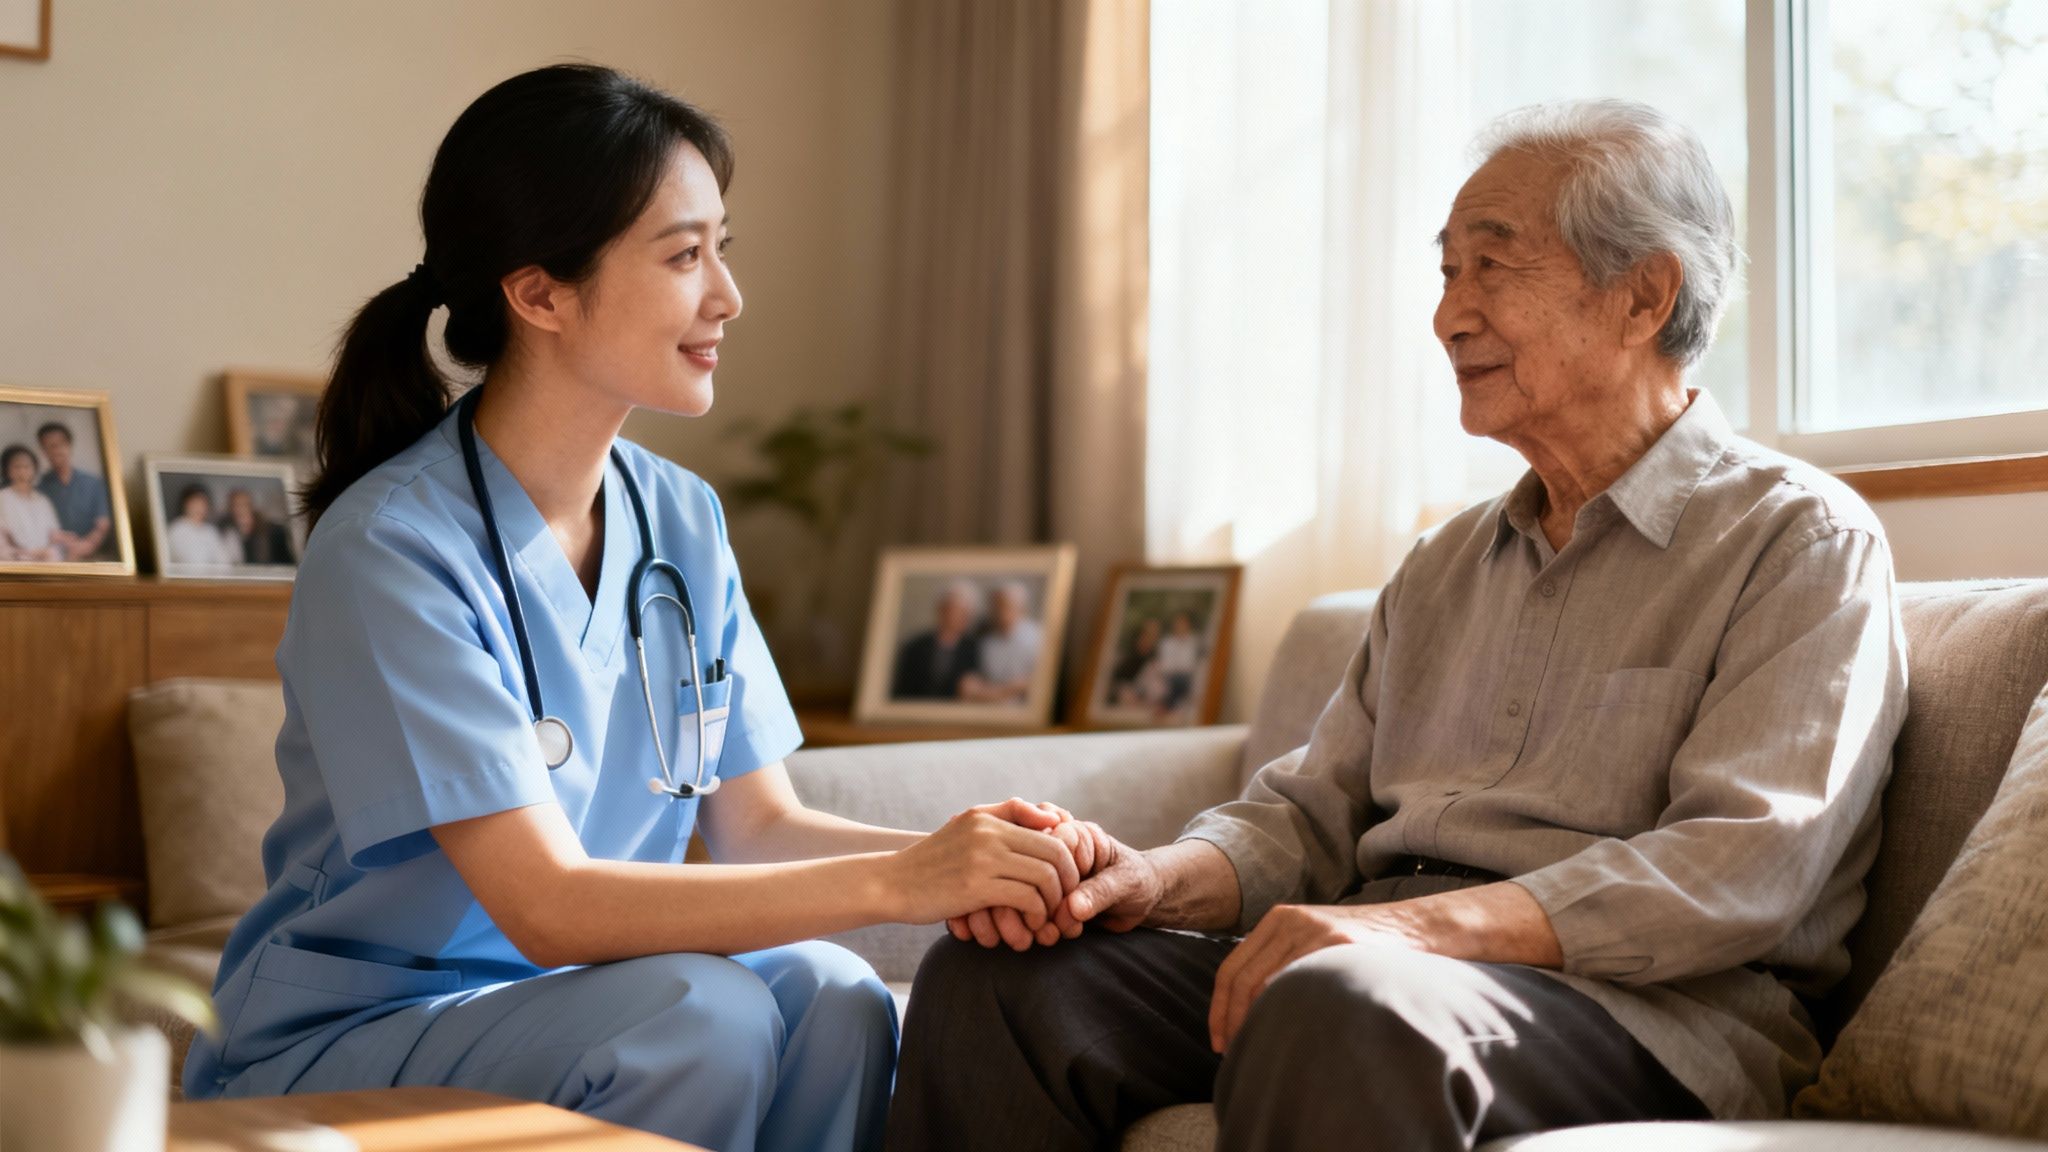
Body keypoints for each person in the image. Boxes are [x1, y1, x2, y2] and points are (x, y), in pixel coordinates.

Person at [891, 99, 1909, 1151]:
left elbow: (1739, 867)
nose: (1448, 317)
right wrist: (1147, 881)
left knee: (1342, 1005)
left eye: (1492, 266)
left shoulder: (1797, 542)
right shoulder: (1443, 565)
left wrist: (1406, 931)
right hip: (1380, 970)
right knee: (1001, 983)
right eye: (1447, 271)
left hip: (1644, 1010)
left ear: (1643, 295)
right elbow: (1307, 819)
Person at [180, 65, 1091, 1152]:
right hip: (354, 1032)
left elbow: (757, 828)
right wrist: (904, 881)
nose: (727, 297)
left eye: (722, 248)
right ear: (540, 295)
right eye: (683, 256)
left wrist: (983, 855)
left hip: (578, 997)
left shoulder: (680, 516)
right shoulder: (390, 547)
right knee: (701, 1019)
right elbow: (547, 906)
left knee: (837, 996)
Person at [890, 580, 982, 699]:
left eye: (965, 612)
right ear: (940, 610)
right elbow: (901, 690)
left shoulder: (975, 648)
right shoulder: (915, 646)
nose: (960, 617)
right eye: (953, 610)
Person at [35, 421, 114, 560]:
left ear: (69, 445)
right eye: (50, 446)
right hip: (57, 557)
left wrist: (87, 545)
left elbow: (103, 523)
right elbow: (42, 529)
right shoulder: (39, 489)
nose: (56, 450)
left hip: (94, 555)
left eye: (61, 444)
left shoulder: (93, 482)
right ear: (43, 451)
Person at [958, 581, 1041, 704]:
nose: (998, 612)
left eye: (1004, 605)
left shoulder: (1039, 638)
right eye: (994, 606)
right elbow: (975, 685)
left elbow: (1038, 682)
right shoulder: (986, 643)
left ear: (1020, 608)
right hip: (993, 708)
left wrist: (1009, 689)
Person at [0, 445, 63, 562]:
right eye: (17, 467)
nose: (22, 471)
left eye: (27, 466)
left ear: (34, 469)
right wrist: (27, 554)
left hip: (45, 561)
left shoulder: (43, 501)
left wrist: (47, 552)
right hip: (15, 563)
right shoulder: (2, 498)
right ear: (7, 470)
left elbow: (54, 535)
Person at [164, 484, 240, 568]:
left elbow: (224, 562)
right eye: (195, 503)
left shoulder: (210, 531)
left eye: (202, 503)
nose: (199, 508)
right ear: (185, 504)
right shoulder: (176, 529)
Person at [223, 487, 296, 565]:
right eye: (235, 505)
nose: (239, 510)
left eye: (243, 505)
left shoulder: (275, 532)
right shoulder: (227, 532)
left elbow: (287, 564)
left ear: (251, 506)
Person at [1151, 610, 1204, 715]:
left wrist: (1177, 668)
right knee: (1173, 682)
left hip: (1186, 677)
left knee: (1180, 681)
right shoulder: (1167, 642)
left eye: (1183, 624)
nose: (1180, 627)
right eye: (1178, 624)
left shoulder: (1193, 642)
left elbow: (1190, 666)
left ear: (1188, 625)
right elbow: (1165, 665)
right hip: (1168, 676)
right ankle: (1169, 706)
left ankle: (1165, 706)